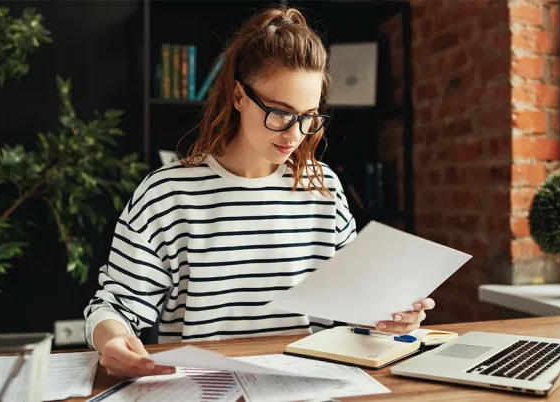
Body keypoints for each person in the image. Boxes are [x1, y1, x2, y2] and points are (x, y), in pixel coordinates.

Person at [83, 6, 435, 379]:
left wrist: (392, 315)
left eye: (309, 116)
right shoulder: (167, 194)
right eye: (280, 113)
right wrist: (113, 341)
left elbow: (358, 305)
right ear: (238, 95)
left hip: (306, 384)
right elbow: (114, 305)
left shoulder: (323, 187)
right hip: (203, 387)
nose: (295, 135)